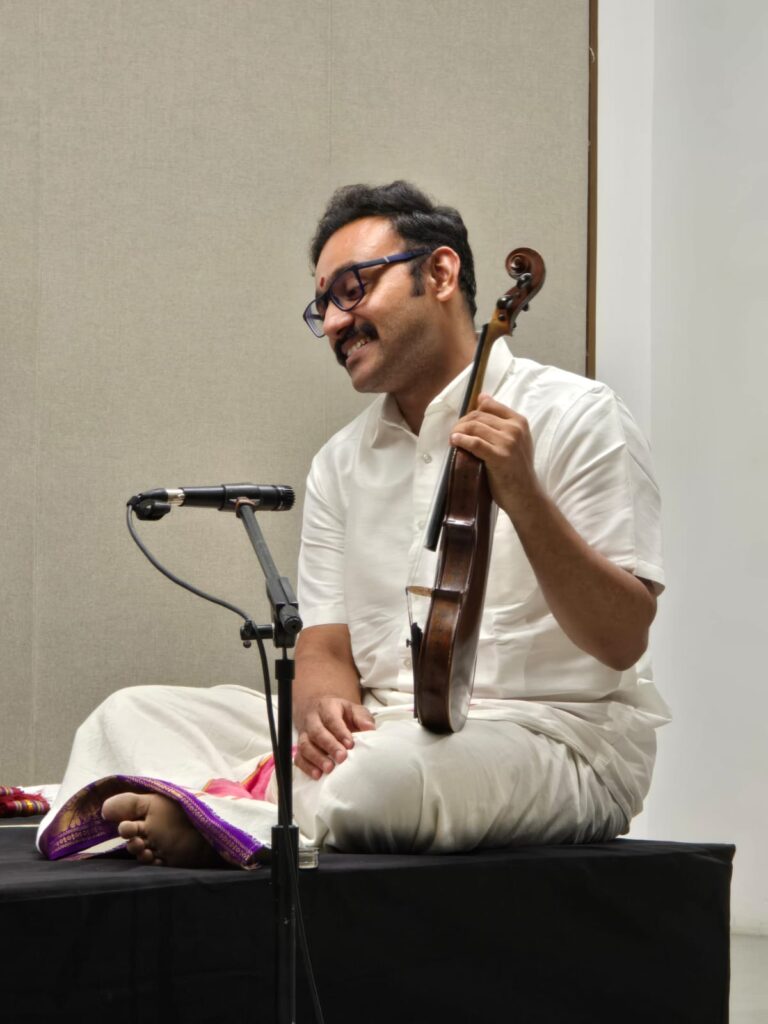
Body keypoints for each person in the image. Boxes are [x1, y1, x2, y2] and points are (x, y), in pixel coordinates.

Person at [37, 181, 669, 869]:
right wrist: (323, 712)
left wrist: (525, 497)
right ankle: (249, 803)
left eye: (353, 289)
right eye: (323, 307)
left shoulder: (580, 415)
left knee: (377, 782)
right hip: (384, 731)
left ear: (440, 271)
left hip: (551, 738)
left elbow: (620, 637)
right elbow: (325, 642)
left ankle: (226, 819)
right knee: (128, 715)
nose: (336, 323)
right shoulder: (340, 461)